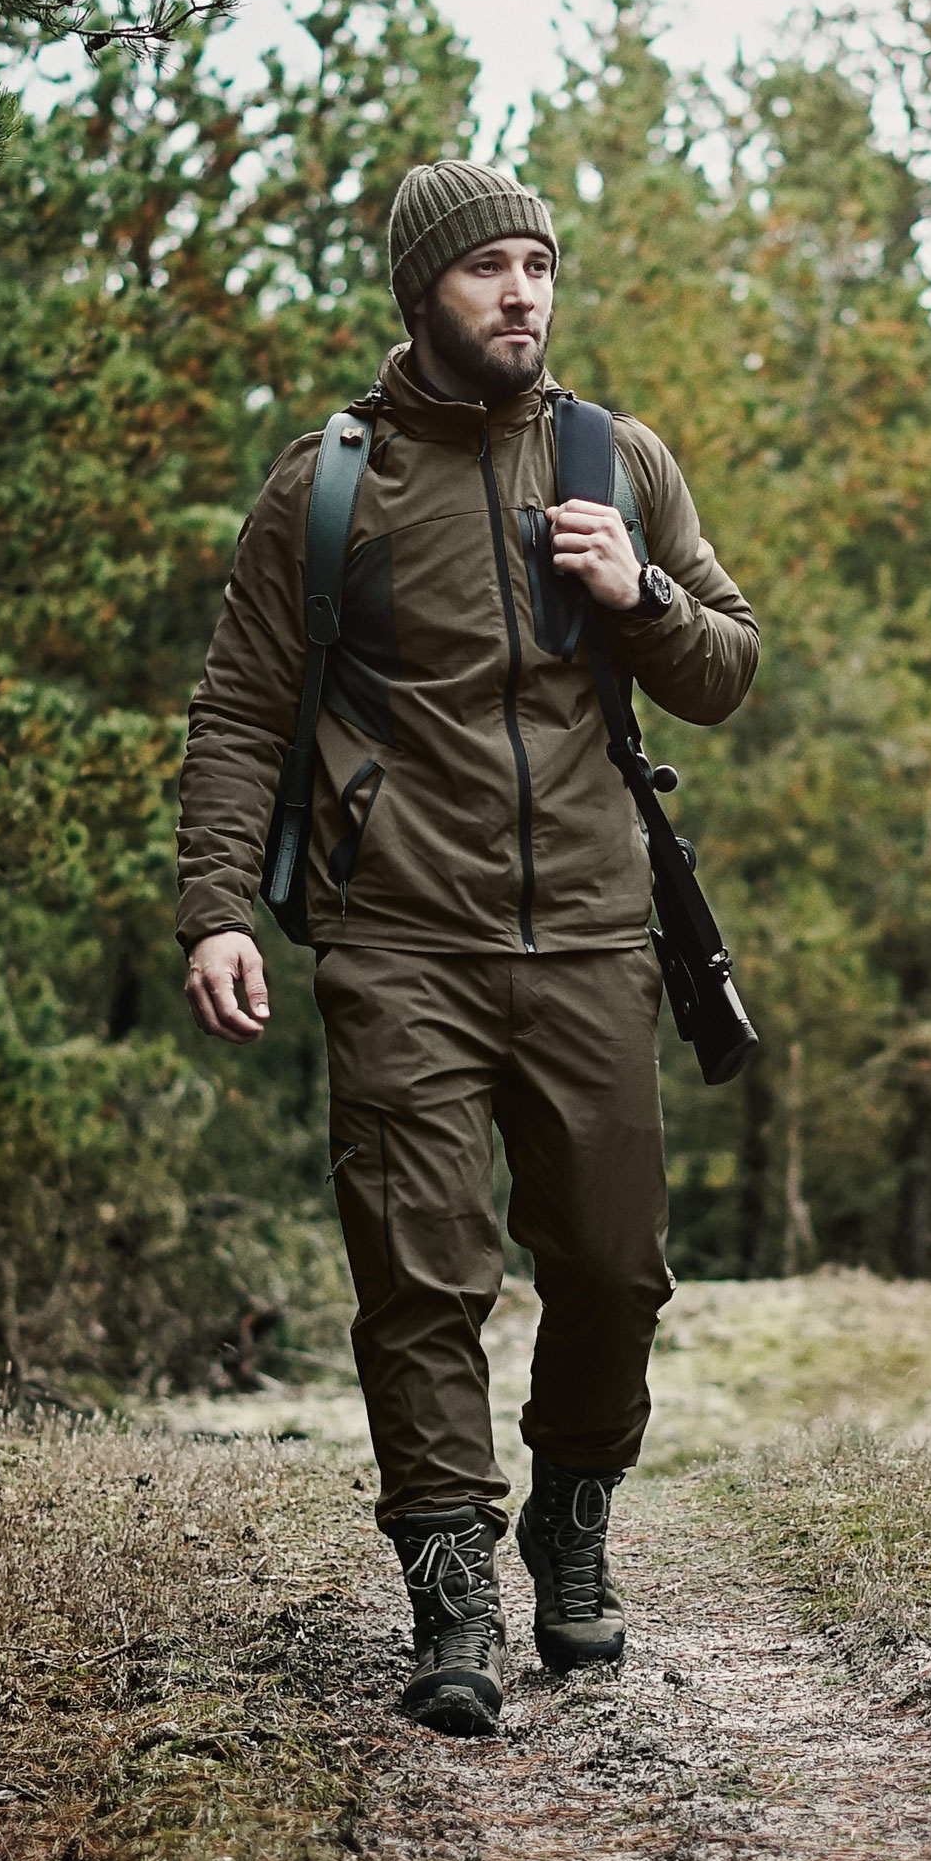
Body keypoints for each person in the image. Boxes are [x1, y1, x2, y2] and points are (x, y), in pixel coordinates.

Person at [175, 160, 760, 1737]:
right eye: (488, 268)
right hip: (398, 940)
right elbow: (237, 712)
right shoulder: (327, 486)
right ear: (420, 293)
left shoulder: (616, 459)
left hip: (587, 931)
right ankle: (451, 1591)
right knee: (420, 1279)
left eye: (539, 265)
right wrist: (220, 906)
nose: (522, 293)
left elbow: (725, 668)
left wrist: (634, 596)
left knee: (611, 1270)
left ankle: (571, 1522)